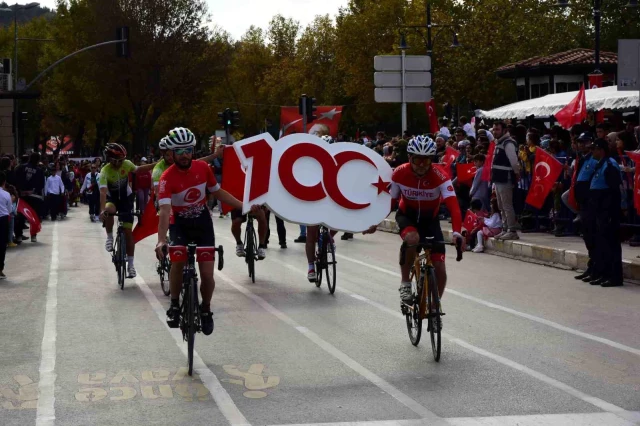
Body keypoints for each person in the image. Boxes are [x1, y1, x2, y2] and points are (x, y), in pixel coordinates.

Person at [155, 127, 258, 335]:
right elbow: (165, 211)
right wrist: (160, 240)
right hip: (179, 224)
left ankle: (206, 309)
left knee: (207, 274)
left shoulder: (203, 168)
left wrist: (242, 205)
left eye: (188, 150)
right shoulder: (167, 177)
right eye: (180, 151)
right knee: (177, 262)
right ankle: (175, 304)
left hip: (202, 224)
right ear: (172, 153)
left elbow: (217, 192)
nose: (185, 155)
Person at [365, 136, 463, 304]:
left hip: (430, 221)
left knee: (439, 267)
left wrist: (457, 233)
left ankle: (435, 304)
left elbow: (454, 207)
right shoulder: (400, 173)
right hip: (407, 216)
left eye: (427, 161)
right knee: (412, 239)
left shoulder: (441, 176)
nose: (421, 165)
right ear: (410, 158)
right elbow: (391, 202)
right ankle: (405, 283)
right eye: (417, 160)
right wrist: (376, 221)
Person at [99, 143, 156, 279]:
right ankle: (109, 237)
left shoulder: (127, 164)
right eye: (118, 161)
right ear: (110, 159)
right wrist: (102, 211)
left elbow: (140, 169)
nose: (120, 163)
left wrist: (156, 163)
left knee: (128, 233)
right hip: (112, 199)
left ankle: (130, 266)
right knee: (108, 210)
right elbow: (102, 192)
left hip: (126, 200)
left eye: (122, 160)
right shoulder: (105, 171)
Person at [585, 139, 623, 287]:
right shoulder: (600, 163)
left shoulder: (610, 164)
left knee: (611, 244)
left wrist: (610, 212)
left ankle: (615, 277)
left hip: (608, 211)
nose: (592, 152)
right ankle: (604, 274)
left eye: (594, 149)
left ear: (601, 150)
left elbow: (615, 190)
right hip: (599, 210)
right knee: (602, 244)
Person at [490, 121, 520, 240]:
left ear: (504, 130)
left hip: (505, 177)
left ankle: (511, 230)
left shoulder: (508, 143)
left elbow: (514, 161)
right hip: (498, 178)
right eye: (494, 129)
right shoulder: (499, 143)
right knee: (501, 205)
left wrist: (516, 173)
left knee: (507, 205)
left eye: (497, 129)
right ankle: (505, 228)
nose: (495, 132)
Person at [0, 172, 11, 279]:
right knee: (2, 245)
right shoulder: (6, 194)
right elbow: (9, 210)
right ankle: (0, 269)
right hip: (3, 220)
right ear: (4, 182)